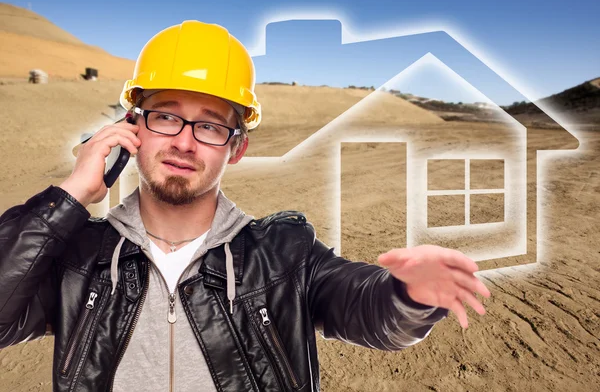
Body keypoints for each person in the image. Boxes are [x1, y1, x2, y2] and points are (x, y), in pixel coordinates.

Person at [0, 20, 491, 392]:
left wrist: (408, 296)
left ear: (236, 147)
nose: (185, 143)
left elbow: (368, 310)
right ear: (133, 129)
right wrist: (69, 198)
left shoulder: (283, 254)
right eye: (166, 116)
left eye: (210, 125)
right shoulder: (78, 258)